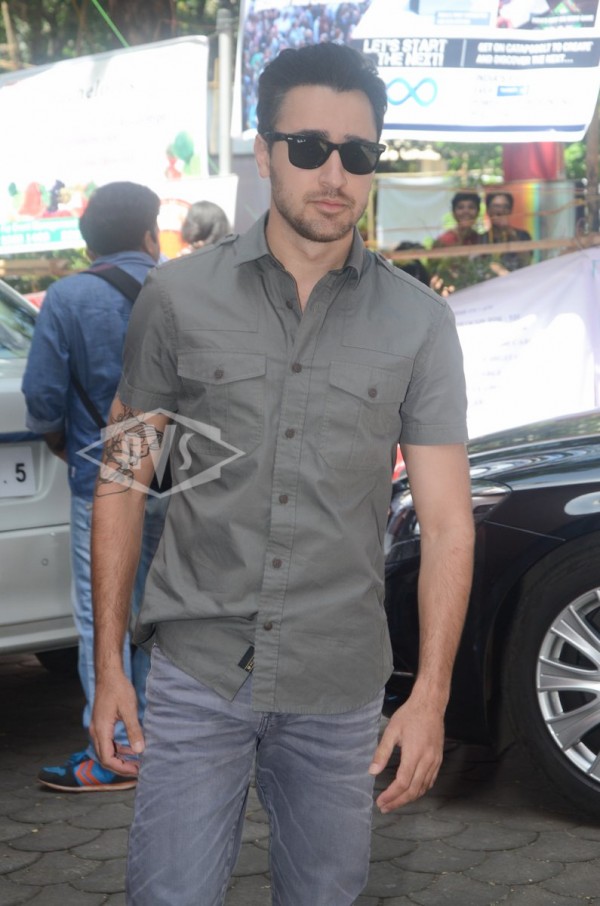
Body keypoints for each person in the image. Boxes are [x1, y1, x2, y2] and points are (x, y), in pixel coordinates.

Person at [90, 43, 475, 905]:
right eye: (309, 148)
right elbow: (122, 480)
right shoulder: (175, 299)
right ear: (264, 153)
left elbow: (450, 523)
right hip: (197, 674)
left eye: (358, 153)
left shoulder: (419, 324)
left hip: (340, 687)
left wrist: (431, 697)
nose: (335, 174)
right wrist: (109, 666)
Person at [22, 181, 168, 792]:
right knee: (168, 613)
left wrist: (62, 441)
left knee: (104, 618)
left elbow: (42, 394)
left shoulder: (68, 296)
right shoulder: (179, 287)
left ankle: (116, 752)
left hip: (104, 475)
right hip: (184, 473)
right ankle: (169, 744)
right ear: (150, 235)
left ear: (89, 245)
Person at [479, 190, 533, 273]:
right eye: (496, 206)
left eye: (505, 207)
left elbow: (527, 261)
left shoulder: (522, 235)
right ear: (488, 210)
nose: (500, 210)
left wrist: (509, 231)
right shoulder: (481, 239)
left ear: (510, 211)